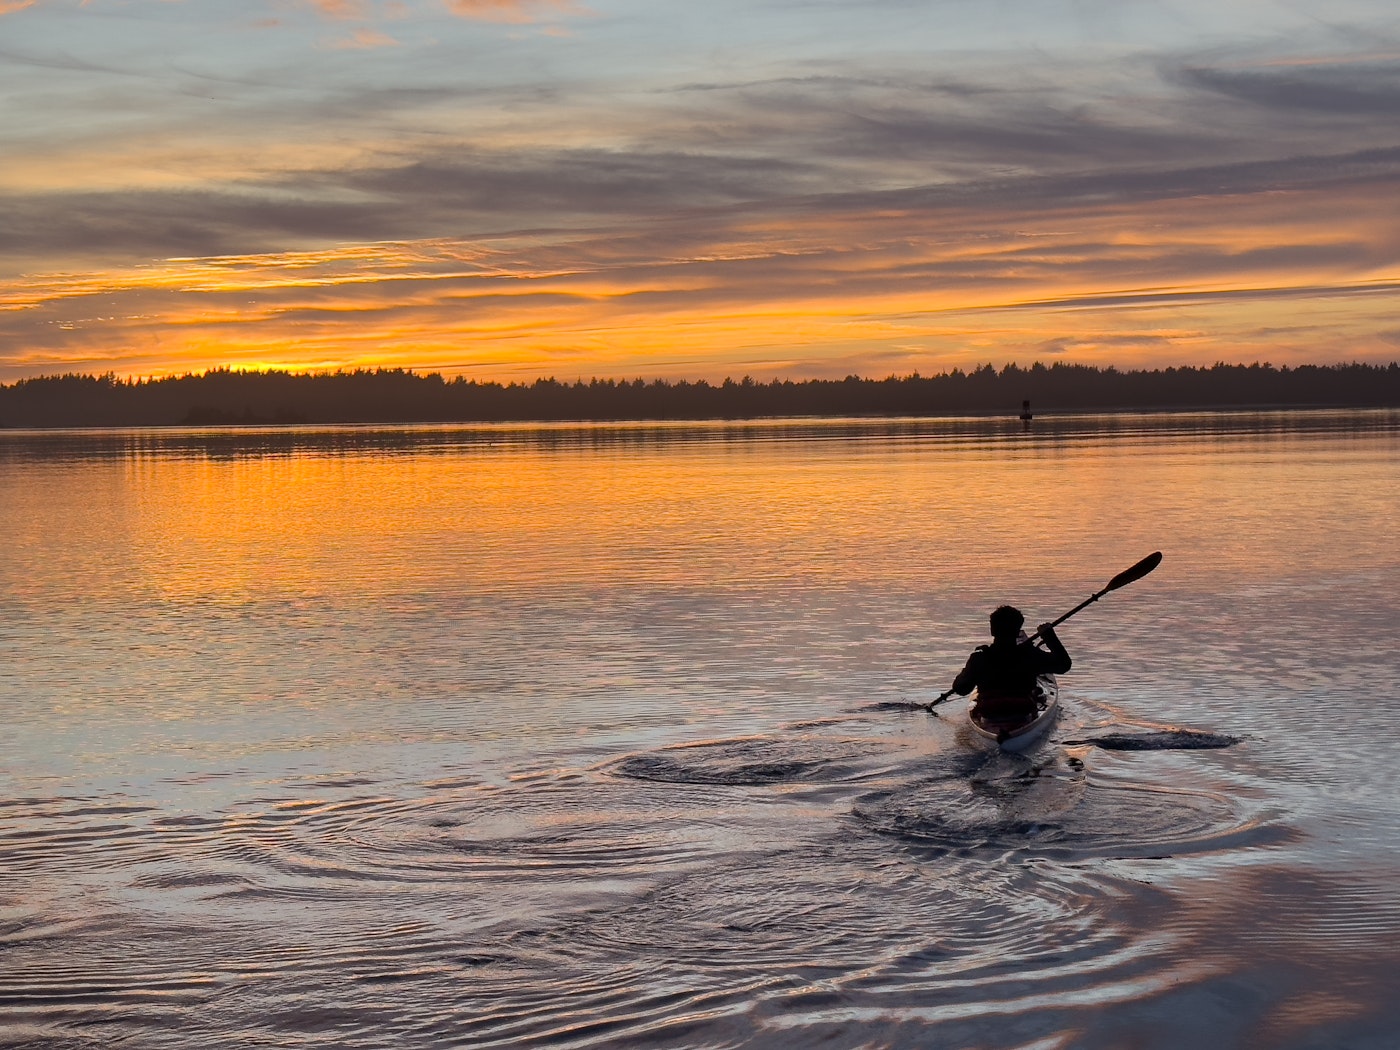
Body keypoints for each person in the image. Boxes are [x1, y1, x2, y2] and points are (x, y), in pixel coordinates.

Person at [952, 605, 1071, 725]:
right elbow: (1063, 665)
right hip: (1022, 711)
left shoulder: (979, 658)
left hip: (989, 713)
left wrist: (967, 670)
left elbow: (962, 689)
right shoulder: (1030, 655)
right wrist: (1050, 636)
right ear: (1018, 630)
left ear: (992, 629)